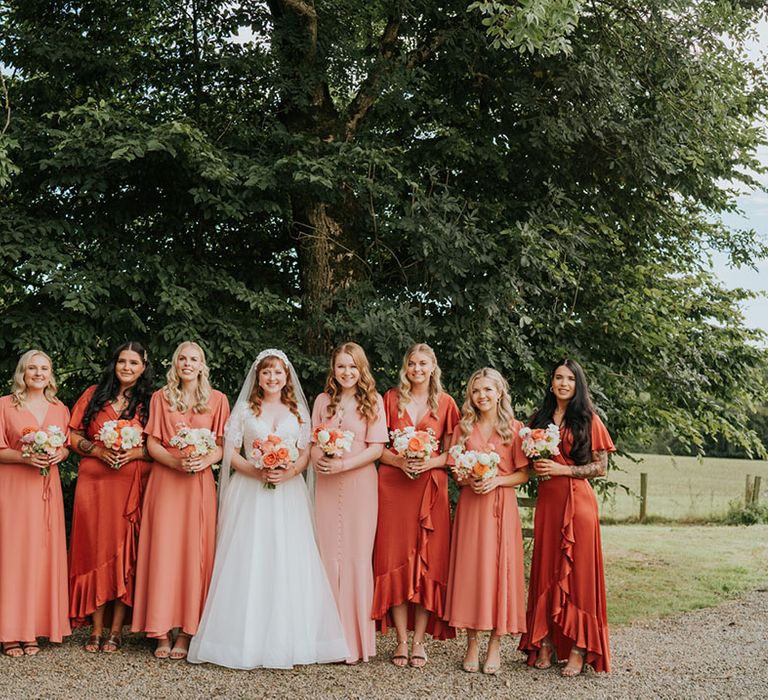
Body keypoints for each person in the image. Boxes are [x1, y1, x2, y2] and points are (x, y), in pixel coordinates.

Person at [188, 349, 349, 669]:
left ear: (287, 377)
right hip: (250, 491)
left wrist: (288, 471)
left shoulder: (299, 412)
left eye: (278, 372)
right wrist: (257, 470)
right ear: (258, 377)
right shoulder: (245, 411)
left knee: (288, 559)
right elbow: (231, 452)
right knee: (249, 557)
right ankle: (241, 639)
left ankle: (290, 639)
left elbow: (305, 453)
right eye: (266, 373)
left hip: (289, 492)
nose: (272, 377)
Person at [131, 341, 229, 659]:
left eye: (194, 359)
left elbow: (222, 445)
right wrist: (174, 462)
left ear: (203, 365)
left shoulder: (218, 400)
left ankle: (188, 631)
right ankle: (160, 629)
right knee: (163, 550)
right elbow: (153, 443)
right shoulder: (161, 397)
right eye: (182, 359)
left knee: (194, 551)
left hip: (198, 483)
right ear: (175, 364)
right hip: (166, 479)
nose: (188, 363)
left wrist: (206, 461)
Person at [518, 358, 615, 676]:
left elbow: (600, 467)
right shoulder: (538, 419)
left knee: (578, 575)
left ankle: (578, 647)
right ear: (551, 383)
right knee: (546, 570)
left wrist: (563, 469)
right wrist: (539, 466)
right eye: (558, 377)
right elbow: (531, 465)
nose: (562, 383)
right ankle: (544, 642)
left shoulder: (589, 419)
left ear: (578, 385)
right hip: (549, 503)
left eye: (569, 379)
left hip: (578, 503)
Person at [372, 343, 459, 668]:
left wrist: (429, 462)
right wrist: (399, 460)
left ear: (433, 367)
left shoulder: (447, 404)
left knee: (428, 562)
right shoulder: (390, 398)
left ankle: (420, 641)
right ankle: (400, 640)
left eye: (423, 363)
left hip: (430, 488)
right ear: (405, 368)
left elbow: (453, 454)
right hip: (394, 488)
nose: (417, 369)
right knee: (393, 559)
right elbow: (377, 447)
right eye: (412, 364)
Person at [68, 341, 154, 653]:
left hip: (130, 484)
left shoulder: (150, 401)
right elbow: (72, 435)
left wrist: (134, 453)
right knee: (92, 550)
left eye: (133, 362)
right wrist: (97, 450)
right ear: (114, 364)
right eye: (122, 361)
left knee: (125, 553)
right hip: (94, 484)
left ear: (144, 366)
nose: (127, 367)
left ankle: (117, 631)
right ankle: (96, 628)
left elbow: (158, 446)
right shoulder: (94, 394)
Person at [444, 368, 529, 675]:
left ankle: (495, 645)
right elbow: (455, 471)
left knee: (499, 572)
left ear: (500, 393)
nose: (482, 396)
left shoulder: (514, 429)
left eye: (488, 390)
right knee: (472, 571)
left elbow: (523, 473)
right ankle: (471, 644)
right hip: (471, 506)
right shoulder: (463, 428)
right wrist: (469, 480)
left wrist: (497, 481)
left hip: (501, 506)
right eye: (476, 391)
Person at [311, 342, 388, 664]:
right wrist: (320, 460)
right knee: (327, 555)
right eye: (341, 366)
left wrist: (344, 464)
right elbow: (312, 441)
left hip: (359, 483)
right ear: (334, 368)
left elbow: (377, 447)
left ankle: (356, 644)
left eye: (352, 367)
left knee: (356, 557)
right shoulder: (322, 401)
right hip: (326, 484)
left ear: (362, 369)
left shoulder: (373, 401)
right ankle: (325, 640)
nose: (346, 373)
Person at [0, 349, 71, 656]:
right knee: (14, 556)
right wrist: (25, 457)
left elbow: (66, 446)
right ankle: (10, 632)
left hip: (47, 488)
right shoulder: (5, 405)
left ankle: (33, 629)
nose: (38, 373)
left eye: (44, 368)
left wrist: (60, 455)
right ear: (22, 373)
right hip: (15, 488)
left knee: (43, 555)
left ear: (50, 373)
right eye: (32, 368)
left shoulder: (59, 408)